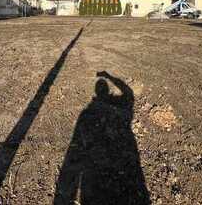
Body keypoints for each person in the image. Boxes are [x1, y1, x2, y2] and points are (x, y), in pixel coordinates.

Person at [54, 71, 150, 204]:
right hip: (120, 162)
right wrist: (109, 77)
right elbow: (128, 92)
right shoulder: (119, 107)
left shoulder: (88, 112)